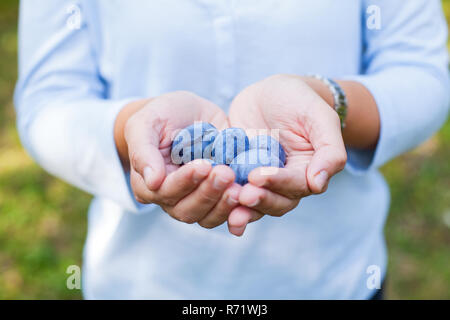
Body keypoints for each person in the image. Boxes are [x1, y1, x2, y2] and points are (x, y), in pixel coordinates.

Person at [14, 0, 449, 299]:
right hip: (140, 282)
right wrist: (135, 128)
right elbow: (48, 103)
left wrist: (324, 99)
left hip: (335, 279)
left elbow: (424, 74)